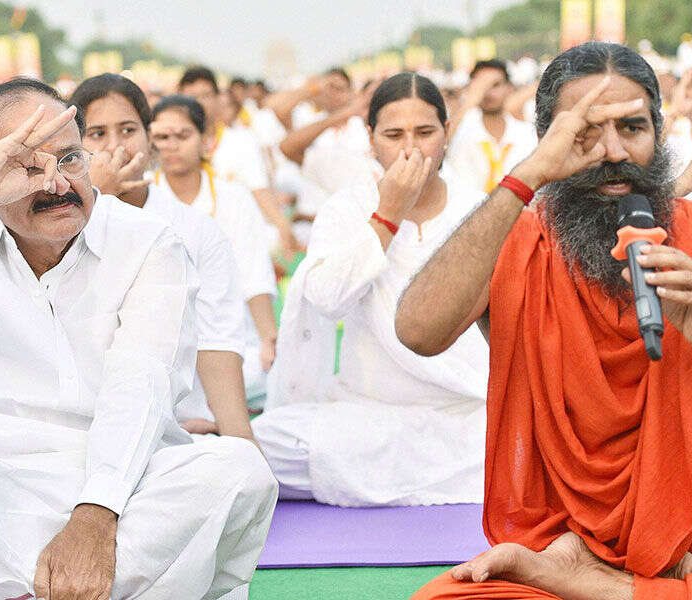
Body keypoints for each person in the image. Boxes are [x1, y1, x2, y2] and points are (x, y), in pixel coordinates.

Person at [0, 78, 277, 600]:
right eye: (26, 166)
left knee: (237, 470)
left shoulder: (148, 241)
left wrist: (95, 516)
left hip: (121, 476)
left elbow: (140, 384)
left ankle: (22, 587)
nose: (58, 183)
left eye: (69, 158)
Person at [395, 42, 692, 599]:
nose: (613, 152)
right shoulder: (516, 242)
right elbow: (417, 331)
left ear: (658, 133)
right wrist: (525, 180)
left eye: (633, 128)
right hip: (554, 539)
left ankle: (606, 587)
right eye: (586, 132)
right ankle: (621, 581)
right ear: (548, 140)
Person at [251, 73, 490, 507]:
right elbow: (325, 301)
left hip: (467, 418)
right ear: (371, 139)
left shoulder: (478, 209)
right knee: (257, 448)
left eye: (425, 133)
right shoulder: (347, 208)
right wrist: (387, 216)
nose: (411, 149)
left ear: (447, 134)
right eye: (394, 134)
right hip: (366, 418)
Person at [68, 73, 257, 442]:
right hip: (80, 420)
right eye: (96, 134)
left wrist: (242, 439)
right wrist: (96, 202)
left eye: (127, 130)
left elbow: (216, 340)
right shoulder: (56, 223)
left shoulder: (195, 229)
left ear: (148, 138)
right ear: (74, 147)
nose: (115, 147)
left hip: (179, 420)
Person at [150, 94, 279, 405]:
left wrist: (268, 339)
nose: (171, 145)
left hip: (229, 338)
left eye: (182, 135)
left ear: (206, 141)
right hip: (161, 346)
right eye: (162, 137)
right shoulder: (142, 198)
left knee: (260, 373)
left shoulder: (234, 198)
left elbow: (254, 273)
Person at [174, 66, 297, 257]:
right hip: (186, 241)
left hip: (234, 239)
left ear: (217, 99)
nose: (198, 103)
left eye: (205, 96)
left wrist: (282, 224)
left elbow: (259, 188)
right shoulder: (167, 146)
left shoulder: (242, 141)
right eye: (191, 97)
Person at [278, 68, 381, 243]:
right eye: (329, 88)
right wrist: (312, 88)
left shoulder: (364, 129)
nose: (333, 94)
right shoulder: (311, 123)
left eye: (339, 89)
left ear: (352, 93)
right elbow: (280, 116)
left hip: (352, 225)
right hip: (309, 228)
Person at [447, 59, 538, 195]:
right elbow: (441, 146)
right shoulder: (460, 134)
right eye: (482, 86)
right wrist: (469, 101)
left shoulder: (527, 135)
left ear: (509, 88)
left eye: (495, 85)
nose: (488, 93)